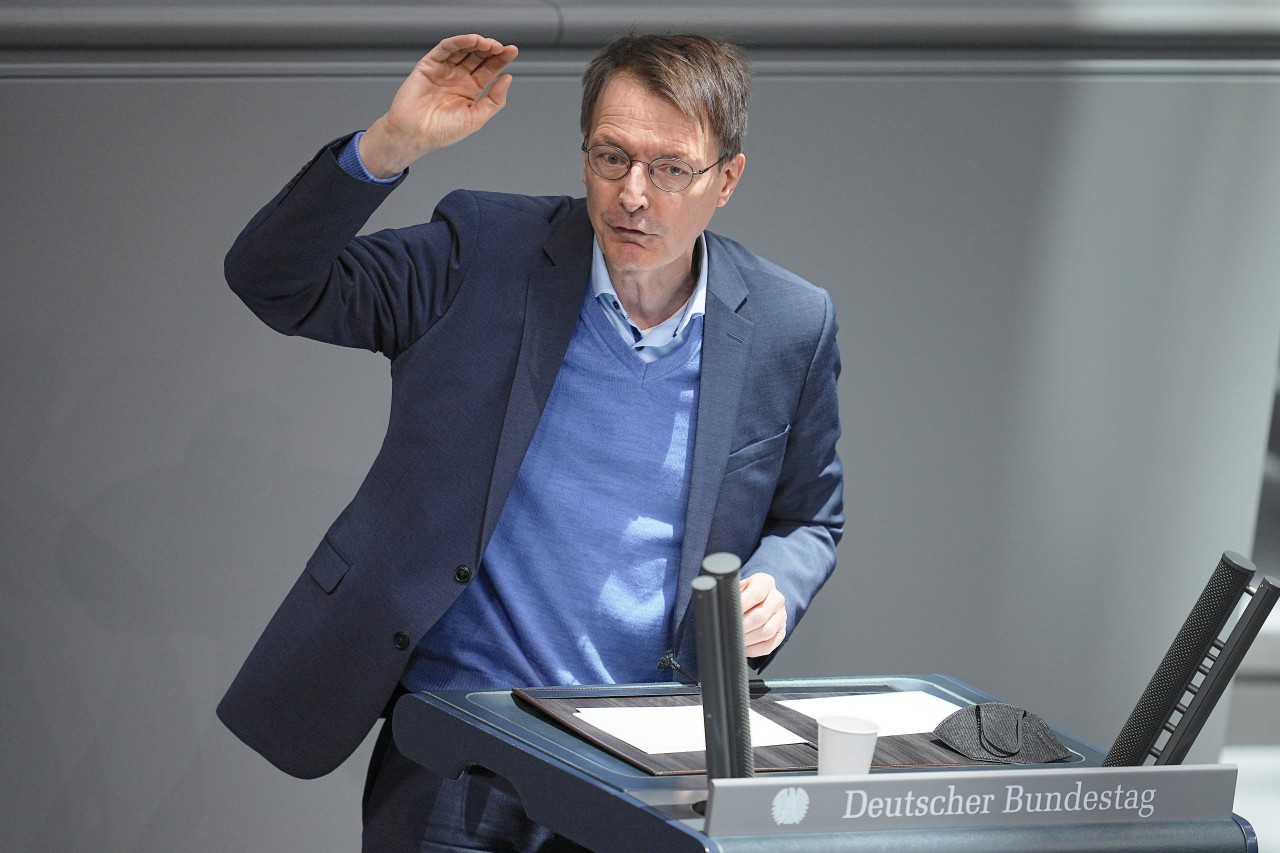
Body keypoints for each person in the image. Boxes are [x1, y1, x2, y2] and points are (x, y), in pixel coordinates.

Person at [218, 32, 844, 851]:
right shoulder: (484, 253)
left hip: (647, 760)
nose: (634, 194)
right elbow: (274, 281)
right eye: (612, 157)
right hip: (459, 745)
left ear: (727, 178)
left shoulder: (789, 325)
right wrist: (389, 145)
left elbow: (811, 519)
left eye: (670, 168)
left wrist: (776, 583)